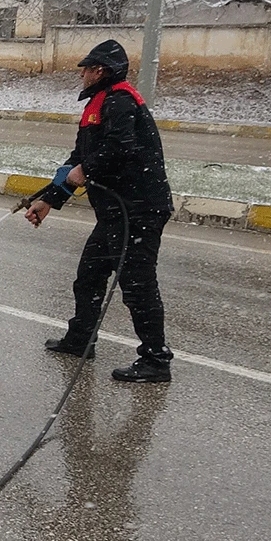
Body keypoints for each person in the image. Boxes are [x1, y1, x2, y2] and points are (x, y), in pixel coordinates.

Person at [25, 39, 174, 383]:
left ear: (101, 71)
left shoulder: (121, 102)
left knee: (137, 285)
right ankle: (81, 339)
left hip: (139, 210)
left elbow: (120, 150)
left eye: (87, 69)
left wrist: (86, 170)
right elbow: (78, 158)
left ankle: (155, 360)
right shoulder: (99, 103)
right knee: (90, 275)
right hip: (116, 212)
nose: (83, 74)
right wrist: (49, 199)